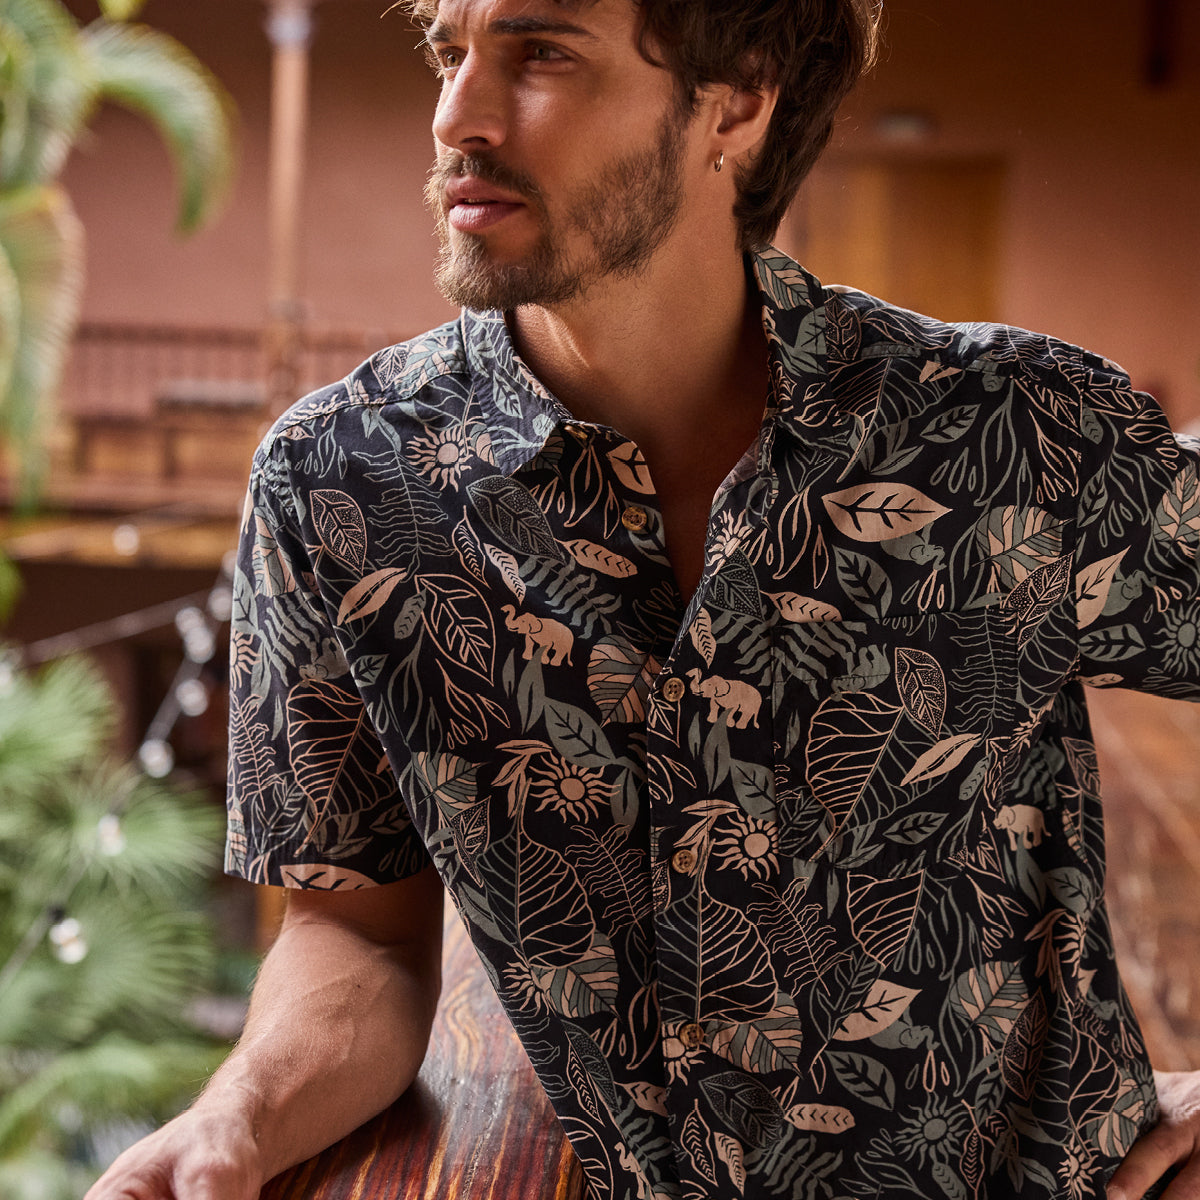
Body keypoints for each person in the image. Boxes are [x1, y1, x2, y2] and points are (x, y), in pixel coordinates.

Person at [87, 0, 1200, 1197]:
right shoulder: (339, 485)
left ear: (738, 102)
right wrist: (238, 1120)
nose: (457, 115)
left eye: (542, 53)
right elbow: (355, 936)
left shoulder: (1016, 434)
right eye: (448, 52)